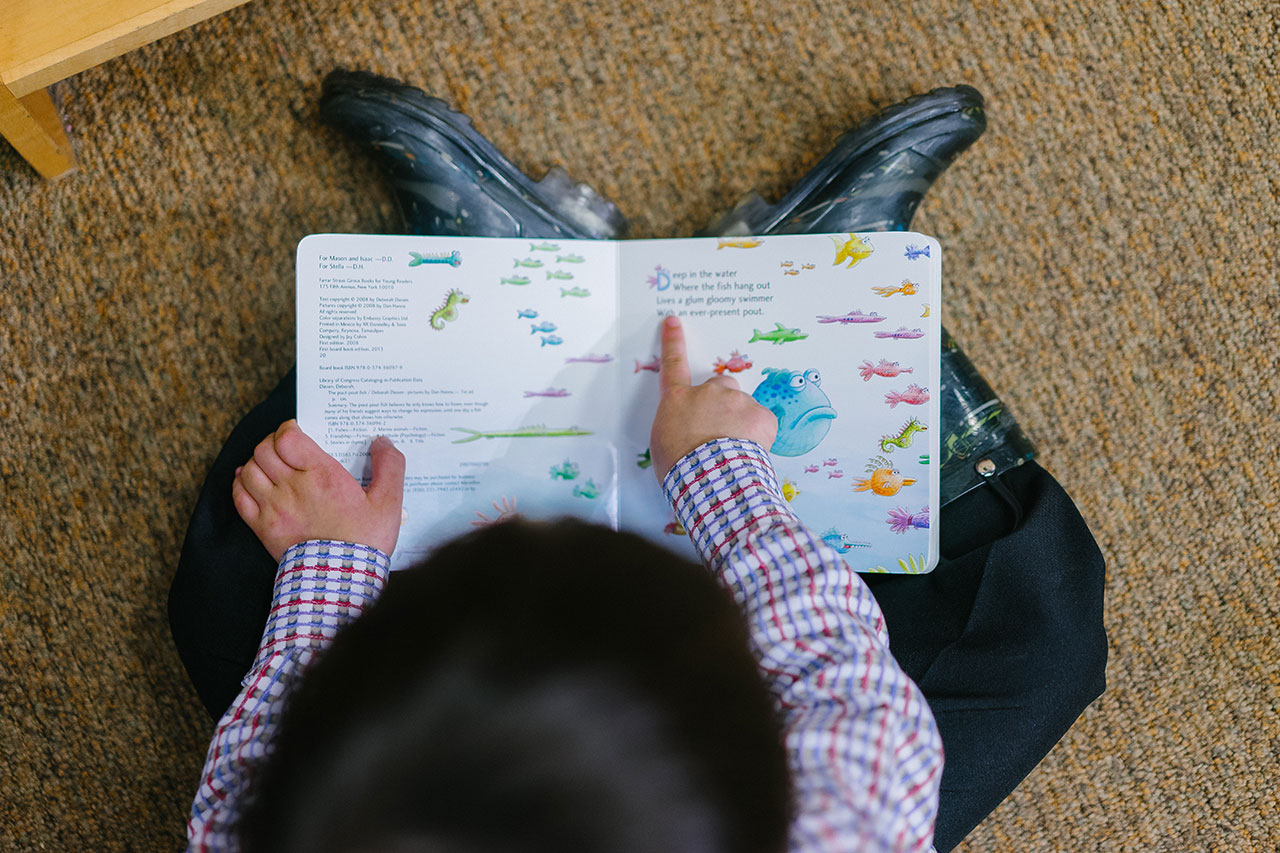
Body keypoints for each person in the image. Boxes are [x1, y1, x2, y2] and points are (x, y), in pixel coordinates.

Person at [171, 72, 1107, 852]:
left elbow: (250, 779)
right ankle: (824, 266)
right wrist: (717, 473)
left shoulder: (278, 823)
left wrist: (332, 564)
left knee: (232, 584)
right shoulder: (841, 811)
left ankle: (481, 267)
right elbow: (838, 675)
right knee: (1040, 639)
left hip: (373, 745)